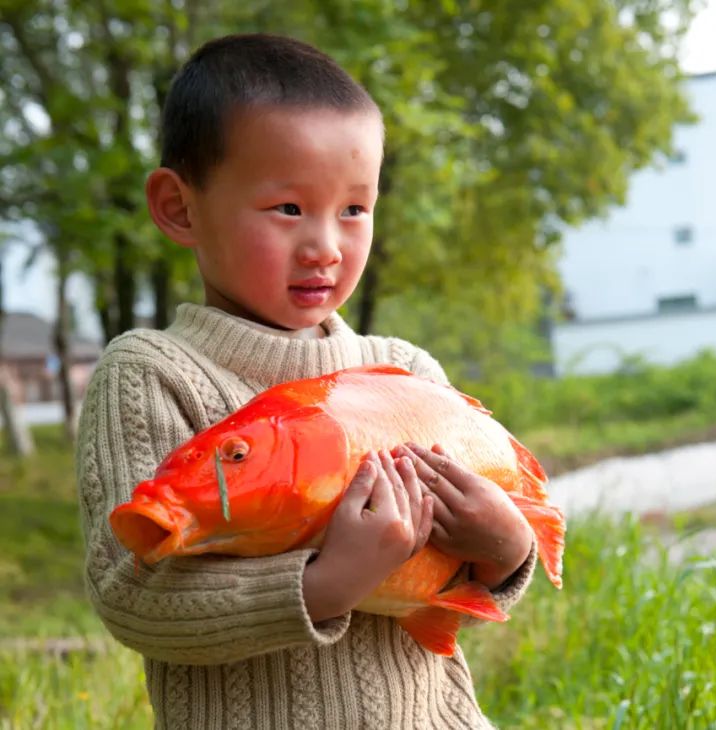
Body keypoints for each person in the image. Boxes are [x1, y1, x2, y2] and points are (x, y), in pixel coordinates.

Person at [76, 33, 536, 729]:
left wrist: (507, 547)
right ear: (179, 207)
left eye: (354, 209)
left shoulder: (407, 377)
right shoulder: (151, 374)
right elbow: (132, 598)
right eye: (289, 208)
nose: (326, 244)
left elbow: (455, 607)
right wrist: (328, 582)